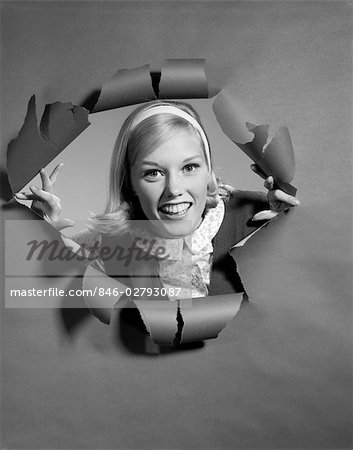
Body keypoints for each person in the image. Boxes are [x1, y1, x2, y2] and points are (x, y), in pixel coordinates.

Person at [15, 100, 299, 306]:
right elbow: (35, 285)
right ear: (130, 184)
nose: (174, 189)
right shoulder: (111, 241)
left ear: (208, 172)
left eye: (189, 167)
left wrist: (288, 219)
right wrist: (41, 225)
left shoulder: (253, 212)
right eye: (153, 173)